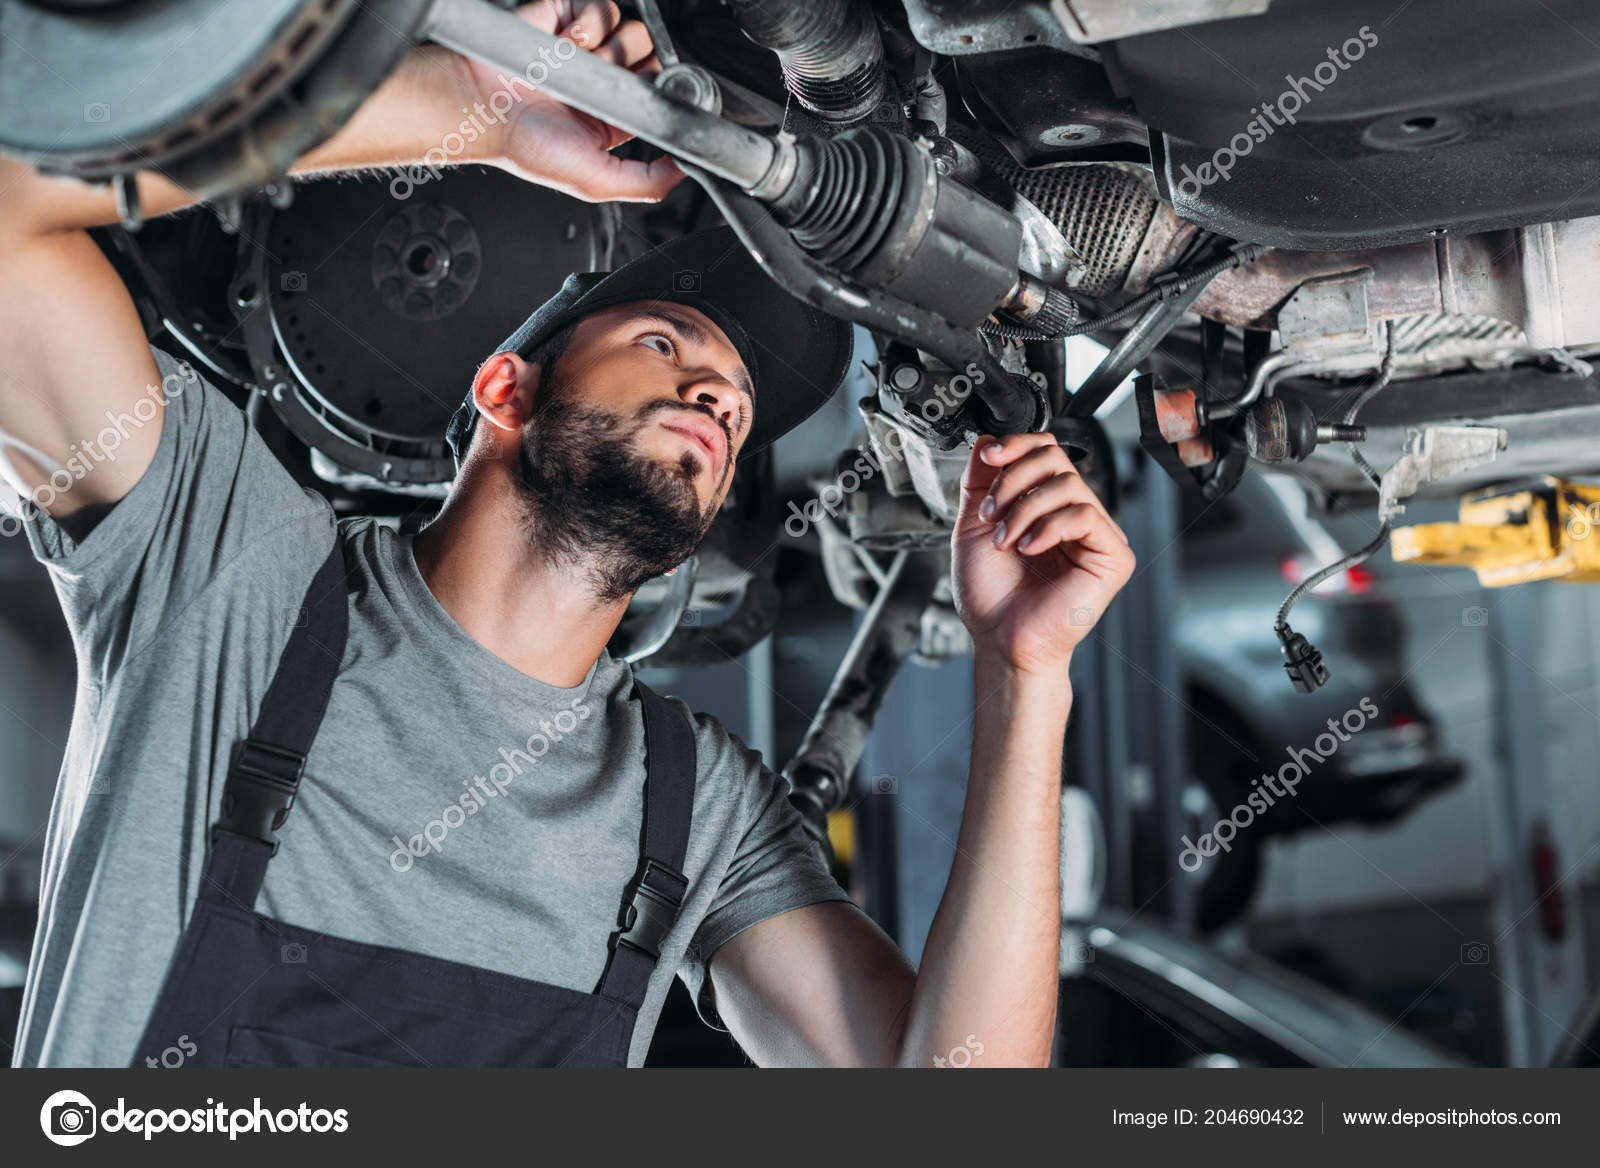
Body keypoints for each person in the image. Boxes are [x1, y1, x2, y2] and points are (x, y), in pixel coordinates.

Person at [0, 0, 1134, 1068]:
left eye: (736, 407)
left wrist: (1024, 677)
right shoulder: (226, 568)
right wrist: (463, 106)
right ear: (504, 388)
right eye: (666, 342)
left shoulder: (689, 809)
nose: (719, 399)